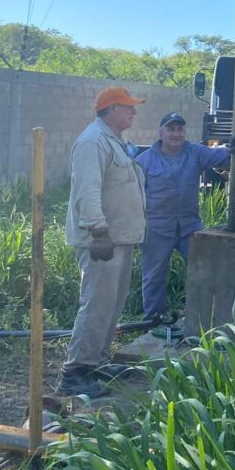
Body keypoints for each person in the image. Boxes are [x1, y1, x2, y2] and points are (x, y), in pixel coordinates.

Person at [58, 86, 147, 397]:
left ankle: (96, 363)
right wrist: (98, 231)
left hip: (119, 239)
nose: (134, 112)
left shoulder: (114, 141)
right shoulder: (93, 142)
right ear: (111, 109)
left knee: (111, 304)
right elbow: (87, 190)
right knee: (96, 305)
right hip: (102, 240)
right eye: (128, 107)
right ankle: (74, 374)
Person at [135, 112, 231, 322]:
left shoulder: (195, 152)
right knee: (154, 275)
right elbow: (133, 198)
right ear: (161, 133)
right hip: (156, 228)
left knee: (205, 267)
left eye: (180, 129)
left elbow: (224, 156)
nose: (176, 134)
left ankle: (203, 315)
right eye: (171, 129)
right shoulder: (144, 162)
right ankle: (154, 319)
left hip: (189, 226)